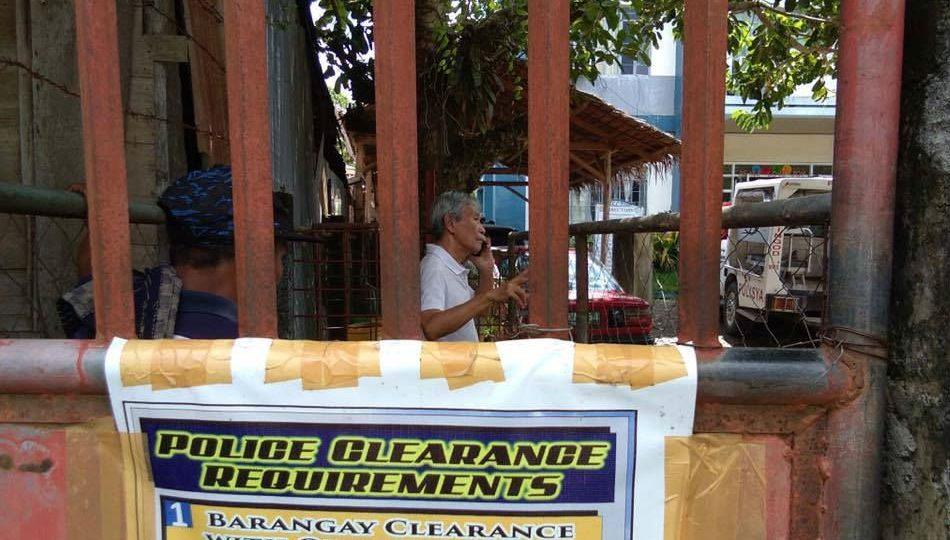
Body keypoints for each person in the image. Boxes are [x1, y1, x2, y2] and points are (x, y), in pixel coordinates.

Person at [58, 166, 292, 339]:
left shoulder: (125, 309)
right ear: (255, 260)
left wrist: (101, 222)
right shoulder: (257, 351)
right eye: (279, 257)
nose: (278, 272)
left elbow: (94, 275)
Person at [420, 191, 528, 341]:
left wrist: (486, 270)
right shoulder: (435, 267)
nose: (482, 229)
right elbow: (431, 327)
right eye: (476, 219)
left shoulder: (450, 266)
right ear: (451, 223)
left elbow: (481, 312)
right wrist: (491, 296)